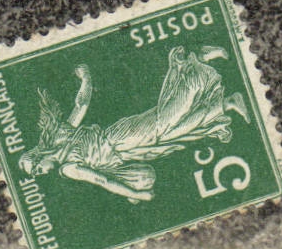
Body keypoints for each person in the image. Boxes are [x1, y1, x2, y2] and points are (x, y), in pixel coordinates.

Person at [19, 46, 252, 202]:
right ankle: (228, 103)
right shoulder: (64, 152)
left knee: (167, 119)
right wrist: (87, 78)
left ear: (39, 156)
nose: (41, 173)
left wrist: (136, 194)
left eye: (37, 168)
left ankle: (197, 60)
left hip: (121, 138)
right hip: (130, 151)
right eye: (38, 174)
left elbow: (103, 179)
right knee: (176, 132)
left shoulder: (68, 164)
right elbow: (81, 109)